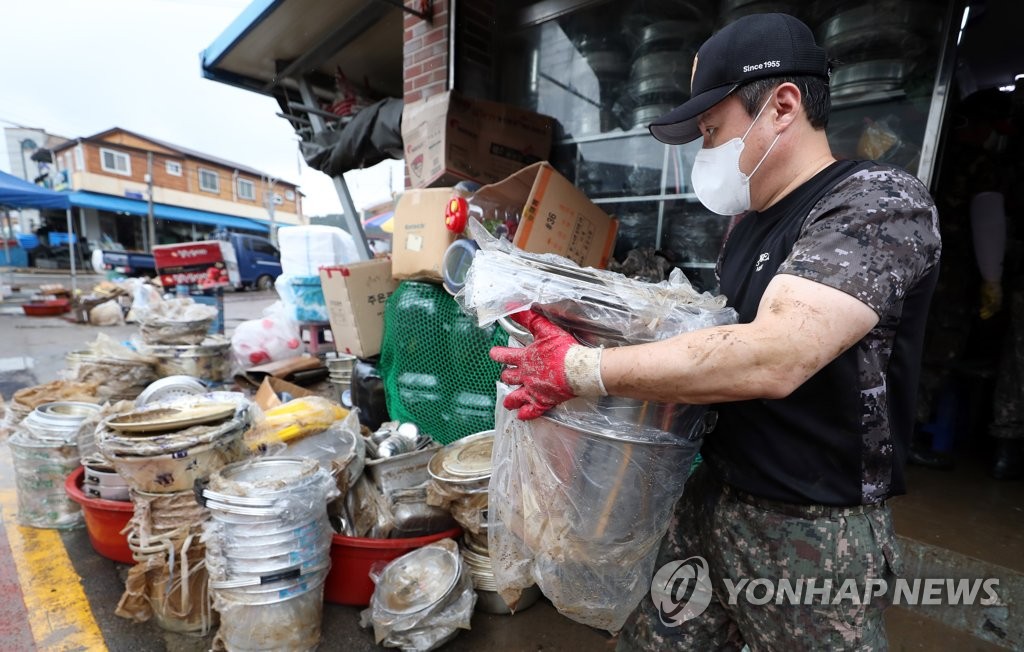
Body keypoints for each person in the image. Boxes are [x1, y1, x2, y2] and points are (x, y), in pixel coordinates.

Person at [490, 13, 941, 650]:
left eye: (711, 131)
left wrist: (582, 372)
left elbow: (776, 354)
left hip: (813, 525)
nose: (706, 153)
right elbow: (718, 337)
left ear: (782, 106)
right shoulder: (746, 226)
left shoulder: (875, 202)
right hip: (715, 496)